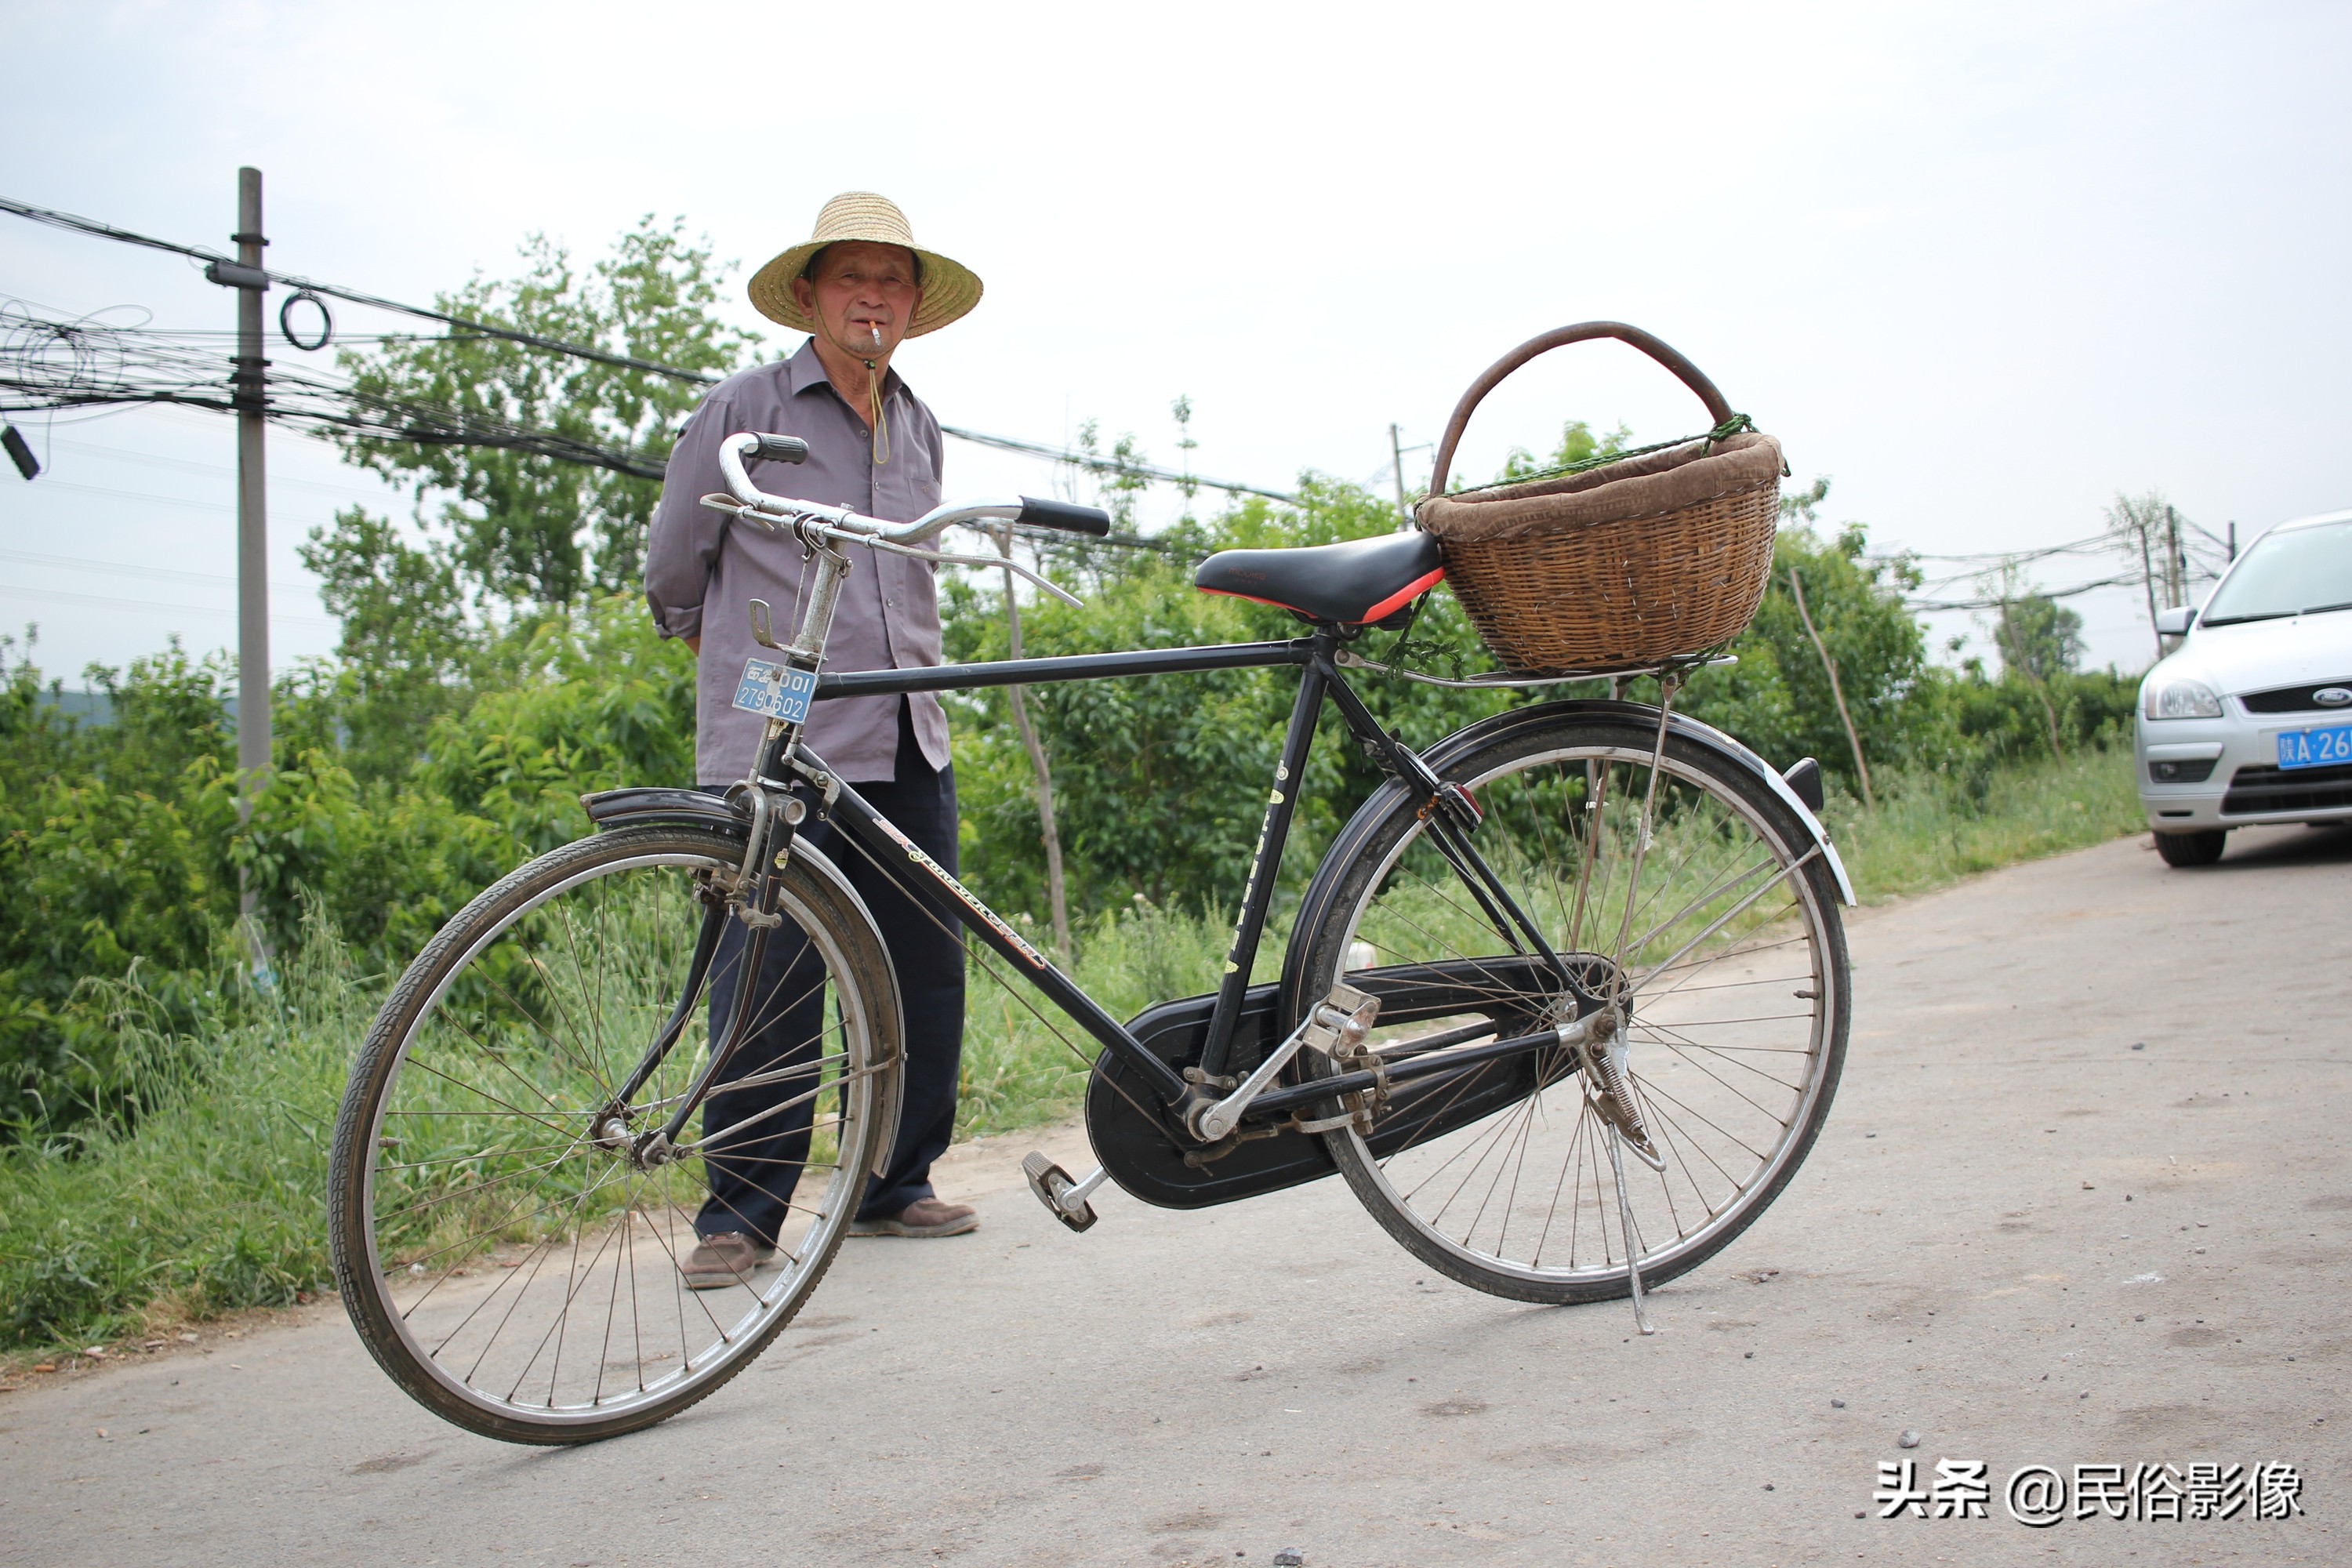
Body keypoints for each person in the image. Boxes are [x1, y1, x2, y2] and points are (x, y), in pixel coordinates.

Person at [644, 192, 988, 1285]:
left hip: (907, 728)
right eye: (853, 277)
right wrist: (729, 660)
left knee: (924, 966)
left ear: (912, 306)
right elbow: (675, 561)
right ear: (811, 294)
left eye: (892, 280)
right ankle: (739, 1214)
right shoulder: (746, 408)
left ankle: (896, 1180)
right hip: (782, 730)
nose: (873, 296)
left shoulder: (920, 423)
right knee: (770, 968)